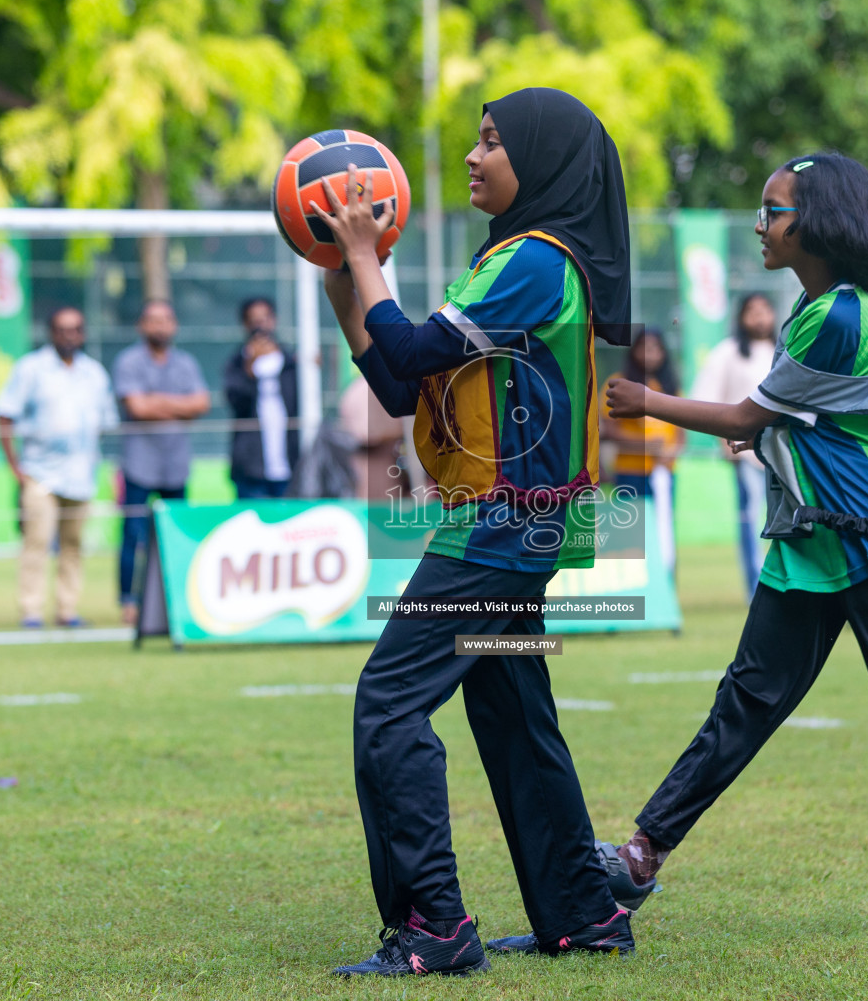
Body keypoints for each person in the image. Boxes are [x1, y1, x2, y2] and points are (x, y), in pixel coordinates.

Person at [605, 153, 868, 944]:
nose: (760, 224)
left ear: (821, 223)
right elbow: (798, 421)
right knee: (746, 702)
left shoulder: (838, 316)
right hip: (814, 539)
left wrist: (644, 401)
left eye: (774, 210)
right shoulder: (813, 310)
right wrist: (773, 439)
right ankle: (638, 858)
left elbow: (746, 417)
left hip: (862, 539)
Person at [315, 87, 635, 976]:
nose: (473, 155)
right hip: (509, 526)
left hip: (501, 527)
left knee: (387, 708)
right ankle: (584, 916)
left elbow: (413, 351)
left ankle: (435, 930)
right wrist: (350, 281)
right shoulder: (506, 261)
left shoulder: (536, 260)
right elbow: (398, 385)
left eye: (492, 142)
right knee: (513, 716)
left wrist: (365, 256)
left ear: (544, 160)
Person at [0, 307, 119, 628]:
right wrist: (14, 467)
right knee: (36, 544)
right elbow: (5, 415)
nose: (69, 335)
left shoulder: (94, 373)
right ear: (51, 333)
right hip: (40, 474)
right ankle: (31, 612)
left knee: (73, 547)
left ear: (83, 333)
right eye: (62, 329)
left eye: (75, 329)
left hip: (82, 475)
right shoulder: (31, 368)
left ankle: (67, 611)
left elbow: (105, 424)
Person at [112, 299, 209, 624]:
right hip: (139, 464)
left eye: (166, 320)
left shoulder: (186, 363)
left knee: (177, 533)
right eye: (153, 320)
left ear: (175, 325)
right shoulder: (128, 361)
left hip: (176, 464)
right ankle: (128, 601)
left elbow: (201, 403)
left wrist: (156, 401)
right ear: (141, 325)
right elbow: (137, 409)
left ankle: (178, 598)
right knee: (132, 534)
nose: (160, 326)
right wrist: (179, 407)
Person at [691, 293, 776, 588]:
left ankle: (785, 585)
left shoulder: (783, 351)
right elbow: (706, 398)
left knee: (785, 521)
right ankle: (757, 588)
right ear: (740, 317)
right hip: (745, 455)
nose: (759, 316)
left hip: (782, 453)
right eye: (752, 310)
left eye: (765, 309)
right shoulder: (728, 352)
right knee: (751, 520)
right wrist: (722, 441)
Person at [600, 329, 683, 577]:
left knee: (664, 531)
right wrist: (645, 445)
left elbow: (680, 435)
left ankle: (665, 588)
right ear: (633, 350)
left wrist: (670, 453)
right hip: (630, 471)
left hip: (662, 474)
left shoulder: (669, 386)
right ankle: (635, 585)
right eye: (644, 347)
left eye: (656, 348)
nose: (650, 354)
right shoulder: (620, 383)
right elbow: (608, 430)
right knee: (631, 532)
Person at [223, 297, 300, 499]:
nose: (260, 326)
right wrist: (250, 368)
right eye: (254, 320)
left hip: (290, 464)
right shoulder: (236, 363)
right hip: (251, 469)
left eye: (265, 318)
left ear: (274, 320)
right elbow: (236, 401)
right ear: (245, 324)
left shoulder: (292, 361)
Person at [339, 373, 407, 500]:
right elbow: (366, 434)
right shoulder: (368, 388)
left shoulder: (357, 388)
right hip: (374, 459)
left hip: (381, 460)